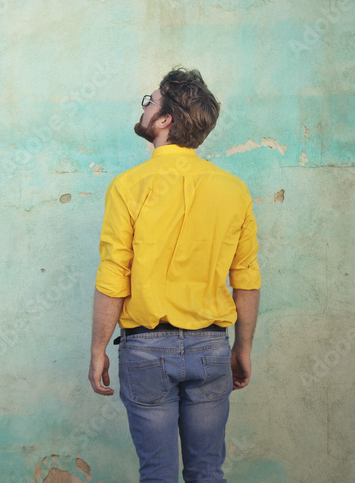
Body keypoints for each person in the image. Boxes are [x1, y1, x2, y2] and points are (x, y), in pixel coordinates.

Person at [87, 68, 261, 483]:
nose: (144, 107)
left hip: (145, 351)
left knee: (158, 474)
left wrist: (98, 349)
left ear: (165, 119)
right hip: (212, 347)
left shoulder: (128, 186)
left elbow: (114, 275)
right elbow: (246, 278)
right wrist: (243, 347)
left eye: (149, 102)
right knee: (207, 471)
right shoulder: (234, 189)